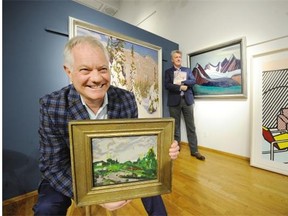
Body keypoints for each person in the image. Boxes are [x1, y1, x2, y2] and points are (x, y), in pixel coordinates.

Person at [33, 35, 180, 215]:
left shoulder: (126, 99)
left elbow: (135, 145)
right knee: (46, 208)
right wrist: (98, 195)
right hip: (69, 171)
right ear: (69, 71)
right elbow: (52, 166)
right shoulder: (52, 105)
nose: (96, 78)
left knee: (152, 182)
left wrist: (163, 148)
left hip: (115, 164)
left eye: (102, 69)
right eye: (85, 70)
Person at [164, 50, 205, 161]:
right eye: (176, 57)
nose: (178, 58)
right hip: (174, 102)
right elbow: (167, 85)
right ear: (172, 59)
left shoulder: (187, 70)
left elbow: (193, 80)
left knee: (191, 127)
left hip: (187, 101)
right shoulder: (168, 72)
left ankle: (194, 151)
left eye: (179, 57)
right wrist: (179, 87)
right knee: (175, 128)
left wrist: (184, 82)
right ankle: (177, 149)